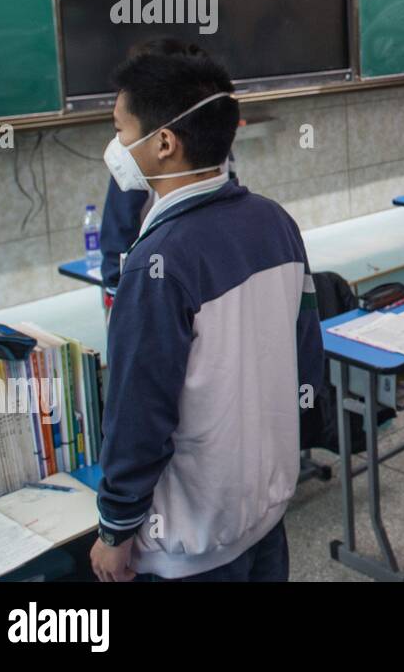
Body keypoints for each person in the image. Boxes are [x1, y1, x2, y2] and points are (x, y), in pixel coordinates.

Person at [90, 51, 323, 581]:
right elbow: (306, 353)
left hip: (188, 541)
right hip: (264, 511)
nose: (116, 148)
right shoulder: (275, 221)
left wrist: (115, 527)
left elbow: (138, 412)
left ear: (165, 143)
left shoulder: (156, 264)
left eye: (121, 130)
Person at [99, 38, 237, 300]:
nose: (119, 143)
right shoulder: (211, 139)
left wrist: (116, 286)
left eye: (120, 130)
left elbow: (118, 232)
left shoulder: (141, 156)